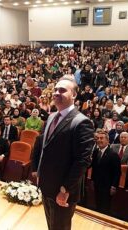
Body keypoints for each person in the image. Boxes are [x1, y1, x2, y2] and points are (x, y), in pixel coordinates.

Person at [37, 77, 94, 230]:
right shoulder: (50, 117)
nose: (56, 93)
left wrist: (65, 189)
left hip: (63, 190)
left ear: (74, 95)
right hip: (47, 186)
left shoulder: (82, 122)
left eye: (62, 90)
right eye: (55, 89)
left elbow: (83, 161)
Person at [91, 130, 121, 214]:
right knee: (98, 205)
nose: (99, 140)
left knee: (105, 208)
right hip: (97, 184)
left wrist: (114, 186)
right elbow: (94, 168)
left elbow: (117, 172)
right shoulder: (96, 152)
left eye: (102, 138)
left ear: (107, 141)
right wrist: (93, 180)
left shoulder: (113, 154)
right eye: (98, 138)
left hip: (107, 186)